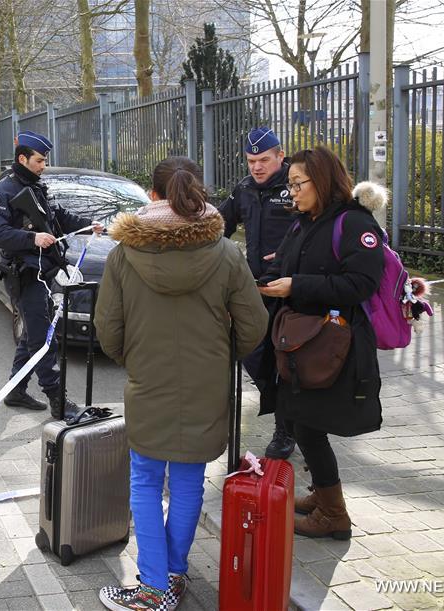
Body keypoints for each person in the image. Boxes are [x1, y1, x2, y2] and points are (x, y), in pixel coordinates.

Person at [95, 157, 268, 610]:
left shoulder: (123, 255)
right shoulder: (227, 254)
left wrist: (135, 359)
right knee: (189, 481)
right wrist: (219, 356)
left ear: (152, 195)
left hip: (147, 382)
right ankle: (171, 576)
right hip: (206, 385)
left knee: (146, 481)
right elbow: (254, 326)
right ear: (197, 195)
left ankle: (153, 587)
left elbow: (107, 329)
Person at [258, 146, 386, 539]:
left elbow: (362, 283)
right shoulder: (306, 220)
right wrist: (275, 273)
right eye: (290, 184)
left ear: (323, 180)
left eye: (298, 184)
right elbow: (295, 264)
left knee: (309, 426)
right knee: (301, 421)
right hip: (303, 343)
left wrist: (297, 283)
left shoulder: (352, 223)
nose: (292, 192)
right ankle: (325, 498)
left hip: (334, 346)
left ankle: (333, 515)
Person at [0, 130, 102, 419]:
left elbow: (57, 215)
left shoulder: (37, 186)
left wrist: (90, 225)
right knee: (44, 340)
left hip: (43, 271)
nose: (43, 166)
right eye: (39, 160)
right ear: (22, 158)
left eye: (45, 160)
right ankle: (58, 402)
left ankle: (16, 391)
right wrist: (32, 239)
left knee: (32, 336)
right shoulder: (4, 190)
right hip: (25, 276)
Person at [218, 127, 298, 460]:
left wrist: (287, 252)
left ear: (280, 155)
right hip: (255, 289)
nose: (257, 167)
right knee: (251, 352)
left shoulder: (297, 186)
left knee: (287, 361)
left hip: (292, 290)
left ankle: (286, 428)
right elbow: (219, 225)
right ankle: (279, 400)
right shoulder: (244, 189)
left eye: (264, 159)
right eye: (251, 161)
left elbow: (315, 228)